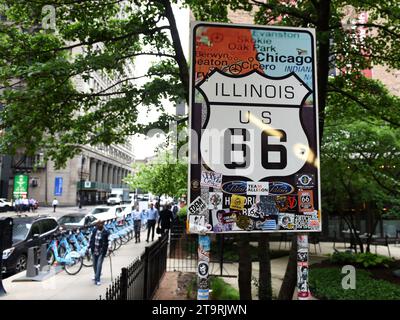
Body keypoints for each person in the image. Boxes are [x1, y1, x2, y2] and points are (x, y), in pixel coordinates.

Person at [89, 220, 110, 285]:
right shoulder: (94, 230)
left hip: (101, 250)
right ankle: (97, 275)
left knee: (99, 265)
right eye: (98, 226)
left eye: (100, 226)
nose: (99, 227)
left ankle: (97, 279)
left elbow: (110, 240)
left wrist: (110, 247)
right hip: (94, 250)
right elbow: (90, 239)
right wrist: (88, 247)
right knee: (94, 265)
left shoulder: (106, 232)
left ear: (102, 226)